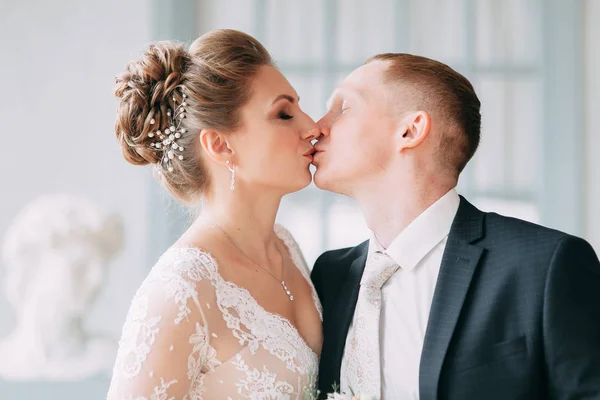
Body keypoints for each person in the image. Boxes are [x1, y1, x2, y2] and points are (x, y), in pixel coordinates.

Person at [311, 53, 600, 399]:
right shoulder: (329, 276)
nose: (317, 127)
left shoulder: (544, 265)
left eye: (343, 108)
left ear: (410, 130)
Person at [107, 29, 323, 399]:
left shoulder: (286, 246)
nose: (312, 127)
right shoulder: (180, 289)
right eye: (284, 114)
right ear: (220, 144)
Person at [0, 194, 122, 380]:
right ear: (35, 262)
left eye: (101, 269)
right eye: (81, 267)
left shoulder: (108, 359)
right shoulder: (7, 361)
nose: (97, 280)